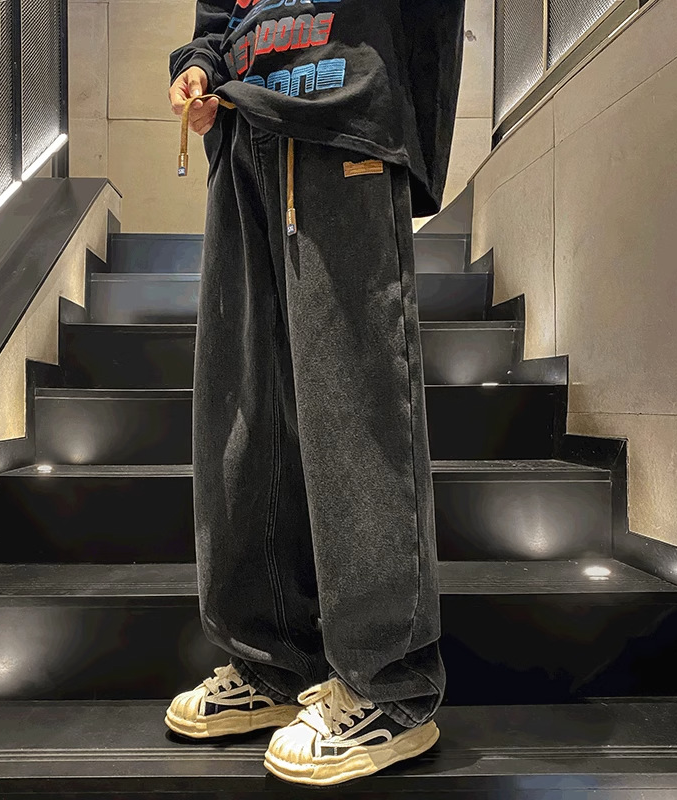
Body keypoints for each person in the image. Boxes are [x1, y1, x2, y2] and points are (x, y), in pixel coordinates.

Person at [165, 0, 465, 786]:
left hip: (341, 117)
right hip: (244, 128)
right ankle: (271, 662)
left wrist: (411, 139)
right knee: (243, 411)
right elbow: (217, 17)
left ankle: (388, 685)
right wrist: (198, 65)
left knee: (354, 409)